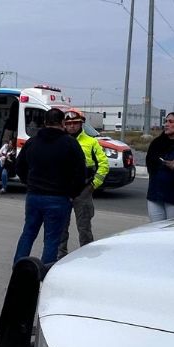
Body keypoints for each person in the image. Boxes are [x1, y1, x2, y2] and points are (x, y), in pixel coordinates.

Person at [12, 108, 87, 269]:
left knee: (28, 233)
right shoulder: (70, 143)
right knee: (52, 239)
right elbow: (81, 173)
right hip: (58, 198)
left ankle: (19, 268)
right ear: (62, 123)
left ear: (44, 123)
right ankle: (43, 273)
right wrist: (72, 194)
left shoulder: (32, 142)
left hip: (34, 197)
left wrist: (29, 183)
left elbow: (18, 166)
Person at [57, 109, 109, 260]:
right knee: (61, 228)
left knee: (84, 228)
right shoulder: (60, 141)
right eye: (68, 123)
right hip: (63, 191)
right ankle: (60, 257)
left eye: (75, 123)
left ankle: (87, 258)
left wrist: (93, 185)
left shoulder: (92, 142)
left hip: (83, 191)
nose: (72, 126)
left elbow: (104, 165)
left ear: (81, 124)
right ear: (64, 125)